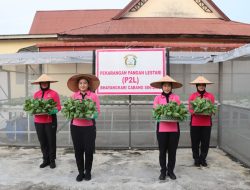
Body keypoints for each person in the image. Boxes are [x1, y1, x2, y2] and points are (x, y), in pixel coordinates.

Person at [67, 74, 100, 181]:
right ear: (78, 85)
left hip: (89, 127)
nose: (82, 85)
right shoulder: (73, 96)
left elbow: (97, 111)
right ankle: (80, 172)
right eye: (80, 83)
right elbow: (69, 110)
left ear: (88, 85)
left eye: (85, 83)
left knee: (89, 150)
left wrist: (92, 115)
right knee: (78, 151)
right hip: (76, 127)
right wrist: (71, 113)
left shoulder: (93, 96)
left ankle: (88, 172)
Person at [150, 75, 183, 180]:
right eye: (165, 86)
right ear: (162, 87)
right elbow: (155, 111)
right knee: (162, 151)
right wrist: (161, 109)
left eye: (169, 86)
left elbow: (180, 110)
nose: (167, 88)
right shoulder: (157, 98)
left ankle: (171, 171)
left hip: (174, 129)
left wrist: (176, 111)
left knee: (172, 152)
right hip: (162, 129)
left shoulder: (176, 98)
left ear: (171, 87)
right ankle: (163, 171)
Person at [31, 74, 61, 169]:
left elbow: (59, 107)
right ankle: (45, 160)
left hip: (50, 121)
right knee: (42, 141)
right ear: (40, 83)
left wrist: (52, 111)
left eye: (46, 82)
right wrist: (33, 110)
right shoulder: (36, 94)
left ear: (48, 83)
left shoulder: (54, 94)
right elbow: (33, 107)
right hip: (38, 121)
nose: (44, 84)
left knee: (51, 141)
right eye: (42, 82)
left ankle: (52, 160)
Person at [188, 76, 215, 167]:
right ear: (196, 86)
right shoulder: (193, 96)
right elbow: (190, 109)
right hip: (195, 123)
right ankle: (196, 159)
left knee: (205, 142)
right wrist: (196, 111)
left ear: (205, 86)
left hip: (206, 123)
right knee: (195, 142)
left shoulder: (210, 96)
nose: (201, 86)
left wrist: (210, 112)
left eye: (203, 85)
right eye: (199, 85)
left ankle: (203, 159)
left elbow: (212, 108)